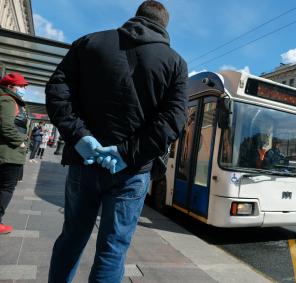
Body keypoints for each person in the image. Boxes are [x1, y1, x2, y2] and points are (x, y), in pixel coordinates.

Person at [45, 1, 188, 282]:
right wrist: (126, 153)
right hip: (132, 173)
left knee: (71, 238)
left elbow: (57, 91)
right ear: (164, 26)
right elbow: (174, 120)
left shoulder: (89, 43)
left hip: (84, 164)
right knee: (112, 250)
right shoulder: (175, 63)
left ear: (136, 16)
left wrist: (80, 136)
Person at [0, 72, 29, 234]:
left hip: (9, 152)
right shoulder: (7, 100)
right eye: (21, 86)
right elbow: (6, 126)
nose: (23, 88)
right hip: (9, 153)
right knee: (6, 188)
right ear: (11, 87)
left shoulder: (10, 99)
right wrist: (20, 142)